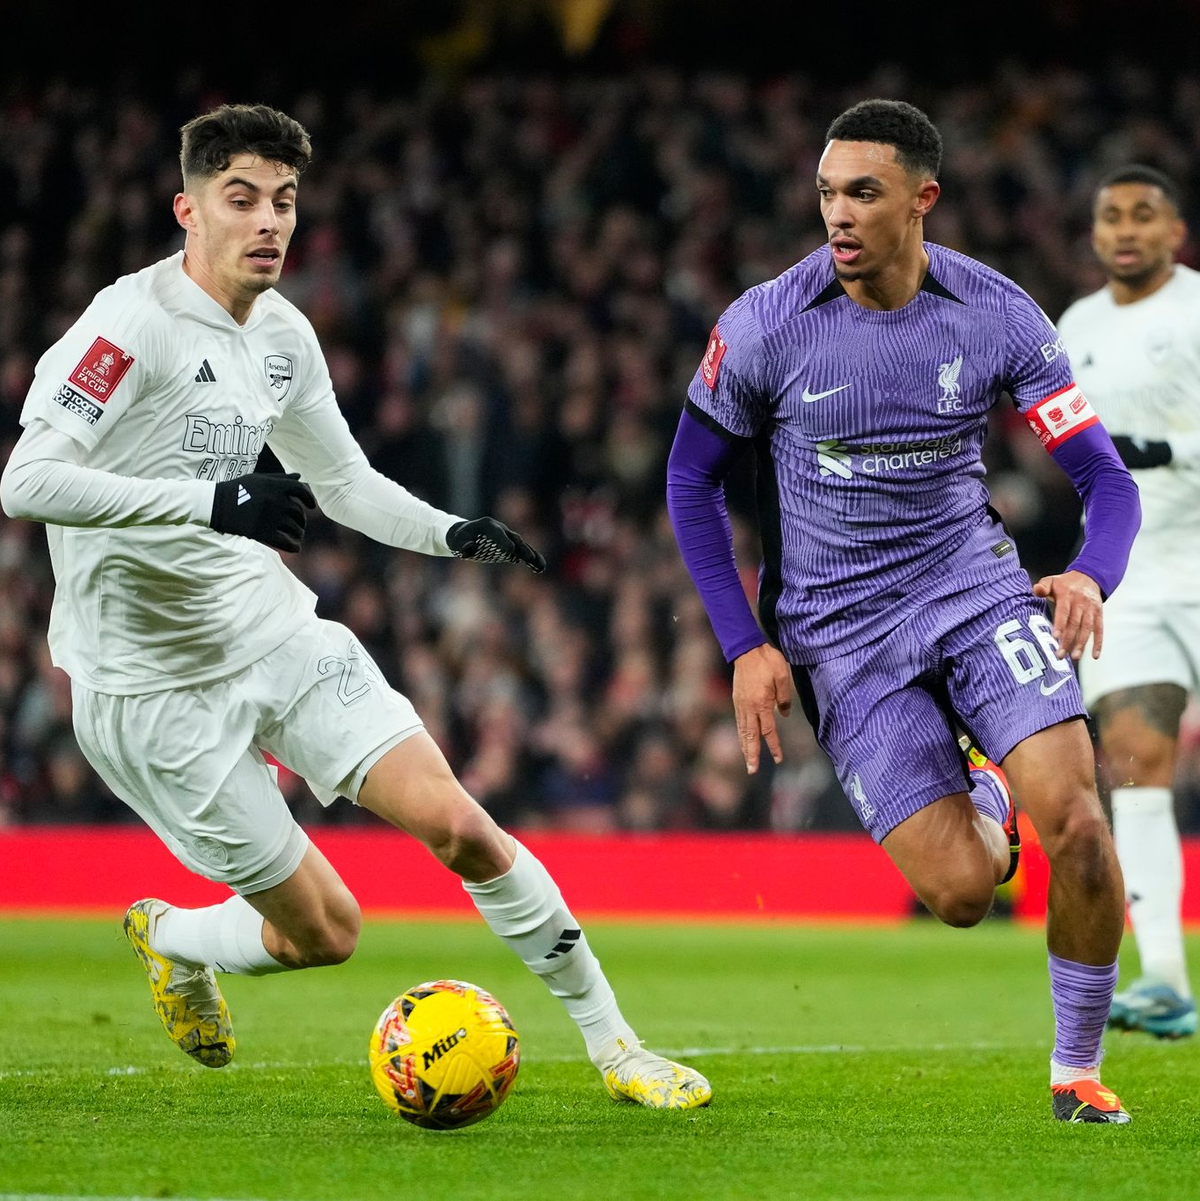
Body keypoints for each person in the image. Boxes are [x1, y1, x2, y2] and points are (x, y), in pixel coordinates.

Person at [0, 102, 710, 1111]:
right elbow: (26, 481)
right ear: (187, 211)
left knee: (462, 826)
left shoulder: (283, 333)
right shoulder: (129, 326)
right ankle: (171, 934)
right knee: (325, 933)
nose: (268, 222)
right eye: (241, 199)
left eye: (284, 201)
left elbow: (342, 481)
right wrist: (208, 501)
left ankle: (619, 1049)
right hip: (150, 689)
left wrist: (449, 531)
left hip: (274, 630)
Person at [667, 98, 1142, 1124]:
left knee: (1083, 827)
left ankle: (1076, 1071)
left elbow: (1108, 480)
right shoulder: (764, 325)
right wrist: (745, 644)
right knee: (964, 895)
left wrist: (1091, 573)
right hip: (842, 636)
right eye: (828, 193)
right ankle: (983, 792)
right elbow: (687, 483)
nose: (837, 215)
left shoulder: (997, 313)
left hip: (974, 593)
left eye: (863, 194)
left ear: (923, 199)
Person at [1056, 165, 1200, 1040]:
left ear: (1176, 231)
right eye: (1110, 215)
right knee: (1135, 764)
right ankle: (1166, 978)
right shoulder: (1075, 327)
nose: (1125, 229)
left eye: (1145, 214)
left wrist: (1161, 447)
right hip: (1135, 576)